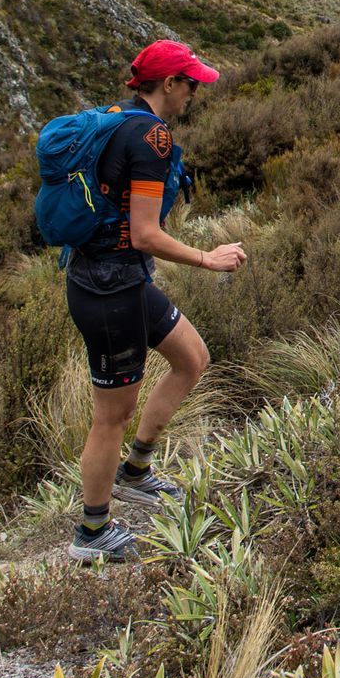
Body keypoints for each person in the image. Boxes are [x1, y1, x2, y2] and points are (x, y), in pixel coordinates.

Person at [65, 39, 246, 564]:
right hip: (109, 290)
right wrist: (205, 258)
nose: (194, 92)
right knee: (110, 417)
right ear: (168, 84)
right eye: (190, 83)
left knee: (192, 358)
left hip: (119, 280)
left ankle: (136, 472)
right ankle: (92, 531)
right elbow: (145, 233)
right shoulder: (151, 137)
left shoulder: (118, 119)